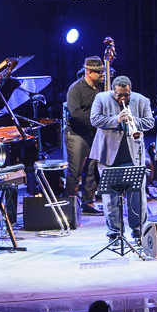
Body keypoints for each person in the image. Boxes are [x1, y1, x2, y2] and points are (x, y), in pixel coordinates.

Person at [89, 76, 154, 242]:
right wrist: (117, 119)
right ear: (113, 90)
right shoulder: (101, 98)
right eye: (119, 95)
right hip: (108, 155)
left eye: (126, 95)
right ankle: (114, 234)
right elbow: (94, 119)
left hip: (133, 155)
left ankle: (139, 232)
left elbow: (150, 122)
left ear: (129, 90)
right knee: (110, 198)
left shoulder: (142, 100)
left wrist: (132, 119)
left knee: (137, 197)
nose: (122, 98)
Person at [66, 57, 105, 216]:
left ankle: (88, 203)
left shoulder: (99, 87)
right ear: (88, 72)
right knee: (75, 172)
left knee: (90, 171)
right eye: (98, 72)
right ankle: (69, 205)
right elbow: (75, 113)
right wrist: (96, 121)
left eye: (102, 72)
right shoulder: (75, 89)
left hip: (92, 134)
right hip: (76, 135)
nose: (102, 75)